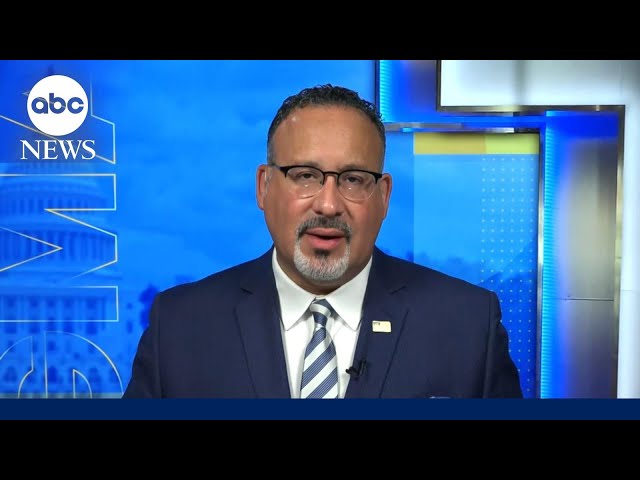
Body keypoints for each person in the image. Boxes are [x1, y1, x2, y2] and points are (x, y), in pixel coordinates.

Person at [123, 84, 523, 399]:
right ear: (264, 186)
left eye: (353, 179)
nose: (329, 205)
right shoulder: (179, 327)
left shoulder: (468, 326)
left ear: (383, 196)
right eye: (305, 176)